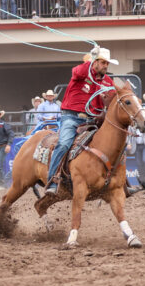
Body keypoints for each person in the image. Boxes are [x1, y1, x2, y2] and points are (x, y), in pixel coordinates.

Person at [44, 47, 117, 195]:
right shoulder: (82, 73)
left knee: (113, 144)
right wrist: (91, 60)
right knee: (64, 143)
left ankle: (121, 183)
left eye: (107, 64)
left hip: (93, 119)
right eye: (103, 62)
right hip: (72, 117)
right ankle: (52, 180)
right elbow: (77, 71)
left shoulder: (108, 82)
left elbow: (113, 100)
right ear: (95, 62)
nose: (105, 66)